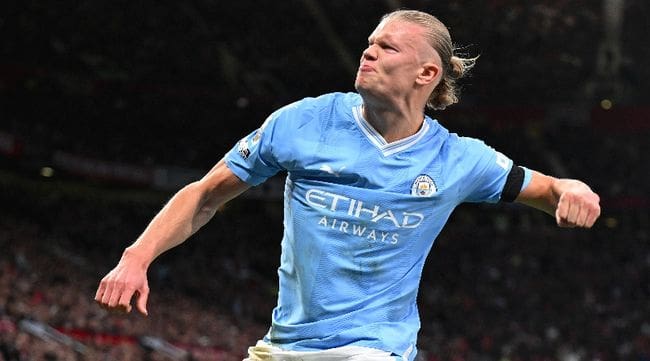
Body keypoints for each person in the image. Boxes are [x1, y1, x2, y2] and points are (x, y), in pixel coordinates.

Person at [94, 9, 601, 361]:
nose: (369, 52)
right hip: (285, 345)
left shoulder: (457, 159)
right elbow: (205, 195)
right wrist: (136, 258)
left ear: (427, 72)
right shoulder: (303, 122)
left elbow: (549, 189)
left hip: (374, 349)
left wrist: (572, 189)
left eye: (387, 47)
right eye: (368, 43)